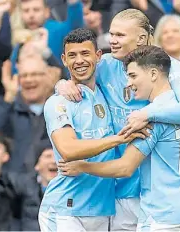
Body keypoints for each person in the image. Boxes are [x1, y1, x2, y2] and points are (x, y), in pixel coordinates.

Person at [56, 9, 180, 231]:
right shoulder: (105, 63)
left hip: (153, 192)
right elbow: (76, 71)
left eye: (120, 35)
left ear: (141, 38)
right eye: (111, 34)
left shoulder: (166, 66)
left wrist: (148, 113)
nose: (112, 41)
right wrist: (61, 85)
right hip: (121, 189)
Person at [39, 28, 146, 232]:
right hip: (65, 209)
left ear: (98, 56)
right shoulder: (58, 102)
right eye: (72, 55)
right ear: (63, 60)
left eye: (85, 53)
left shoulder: (105, 93)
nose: (79, 60)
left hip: (103, 210)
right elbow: (68, 149)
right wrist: (118, 139)